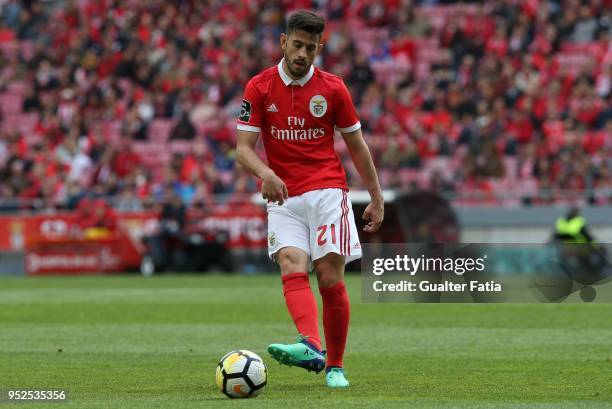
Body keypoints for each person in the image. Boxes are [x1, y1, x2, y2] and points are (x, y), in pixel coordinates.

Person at [236, 10, 384, 388]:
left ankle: (335, 366)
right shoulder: (259, 86)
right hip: (283, 193)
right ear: (284, 42)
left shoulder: (334, 88)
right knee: (290, 264)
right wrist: (265, 173)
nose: (303, 54)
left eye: (311, 47)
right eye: (297, 45)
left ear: (320, 48)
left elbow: (357, 146)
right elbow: (243, 149)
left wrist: (376, 196)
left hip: (327, 191)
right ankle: (311, 346)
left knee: (330, 276)